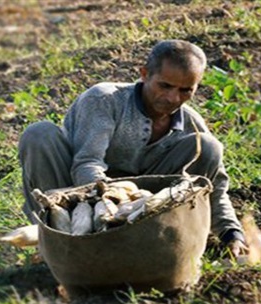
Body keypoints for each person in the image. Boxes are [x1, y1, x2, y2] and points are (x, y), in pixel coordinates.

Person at [18, 39, 248, 257]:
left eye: (185, 90)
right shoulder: (105, 100)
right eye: (165, 85)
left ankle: (162, 239)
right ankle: (58, 238)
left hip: (144, 210)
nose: (172, 98)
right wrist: (112, 204)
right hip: (75, 196)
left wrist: (232, 233)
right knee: (39, 134)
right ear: (144, 74)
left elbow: (215, 188)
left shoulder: (191, 124)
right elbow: (86, 164)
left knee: (207, 146)